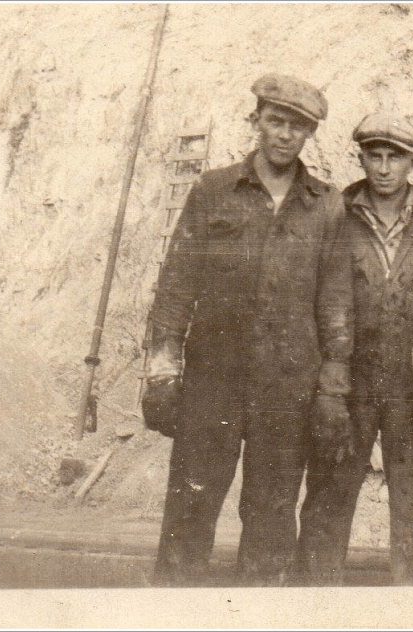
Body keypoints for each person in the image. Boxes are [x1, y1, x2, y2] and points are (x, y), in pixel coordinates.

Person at [142, 73, 354, 587]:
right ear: (256, 120)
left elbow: (336, 305)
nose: (285, 134)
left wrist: (332, 390)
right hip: (213, 381)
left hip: (288, 388)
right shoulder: (213, 191)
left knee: (271, 515)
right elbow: (175, 287)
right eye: (276, 121)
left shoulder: (327, 205)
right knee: (191, 507)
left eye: (298, 127)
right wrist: (162, 374)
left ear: (310, 134)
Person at [296, 113, 413, 585]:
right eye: (374, 156)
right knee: (328, 496)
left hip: (410, 385)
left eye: (394, 158)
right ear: (360, 157)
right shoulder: (334, 214)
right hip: (347, 382)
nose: (383, 168)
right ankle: (314, 603)